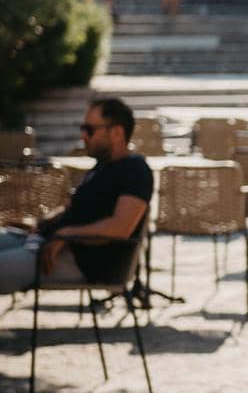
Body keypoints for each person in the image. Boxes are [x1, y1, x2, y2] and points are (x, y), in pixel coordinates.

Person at [0, 98, 153, 295]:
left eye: (90, 129)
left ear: (116, 132)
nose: (83, 135)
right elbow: (70, 206)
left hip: (81, 260)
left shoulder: (135, 170)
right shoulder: (103, 166)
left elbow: (121, 227)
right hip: (45, 240)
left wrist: (67, 234)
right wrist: (40, 222)